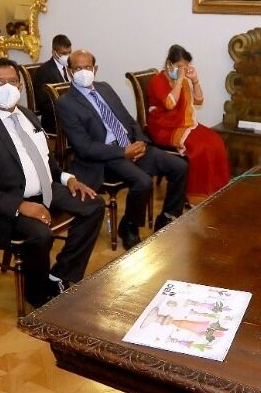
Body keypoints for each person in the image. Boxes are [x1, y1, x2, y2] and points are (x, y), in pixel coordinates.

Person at [0, 58, 104, 307]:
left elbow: (46, 159)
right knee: (40, 234)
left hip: (43, 189)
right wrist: (20, 206)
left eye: (12, 81)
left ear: (21, 86)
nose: (7, 87)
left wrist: (68, 179)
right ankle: (37, 294)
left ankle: (60, 275)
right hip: (1, 204)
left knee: (94, 205)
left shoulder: (26, 114)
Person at [56, 49, 188, 250]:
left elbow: (128, 119)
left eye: (87, 67)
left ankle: (167, 218)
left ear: (95, 69)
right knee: (143, 182)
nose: (83, 72)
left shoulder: (105, 88)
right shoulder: (66, 103)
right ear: (69, 71)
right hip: (105, 156)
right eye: (77, 68)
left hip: (130, 144)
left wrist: (140, 141)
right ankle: (129, 226)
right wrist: (123, 152)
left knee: (179, 166)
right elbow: (84, 147)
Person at [147, 45, 230, 203]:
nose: (182, 70)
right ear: (169, 64)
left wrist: (195, 81)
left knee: (216, 141)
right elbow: (170, 104)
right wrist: (179, 80)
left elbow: (199, 101)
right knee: (200, 148)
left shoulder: (183, 81)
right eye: (179, 66)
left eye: (185, 67)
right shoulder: (157, 81)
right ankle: (196, 196)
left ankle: (214, 190)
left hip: (184, 124)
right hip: (164, 127)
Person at [33, 33, 72, 133]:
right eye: (64, 53)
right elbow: (45, 104)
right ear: (54, 53)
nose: (68, 56)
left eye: (69, 52)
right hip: (54, 121)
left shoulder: (72, 67)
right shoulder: (43, 71)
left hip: (71, 116)